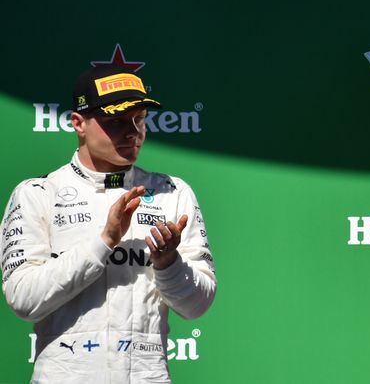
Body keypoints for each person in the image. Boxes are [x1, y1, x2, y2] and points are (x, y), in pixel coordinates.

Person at [1, 65, 216, 383]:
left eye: (139, 119)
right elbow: (23, 300)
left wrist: (169, 262)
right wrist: (104, 241)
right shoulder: (37, 194)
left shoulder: (173, 192)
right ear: (79, 124)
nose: (133, 132)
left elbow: (197, 306)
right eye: (116, 121)